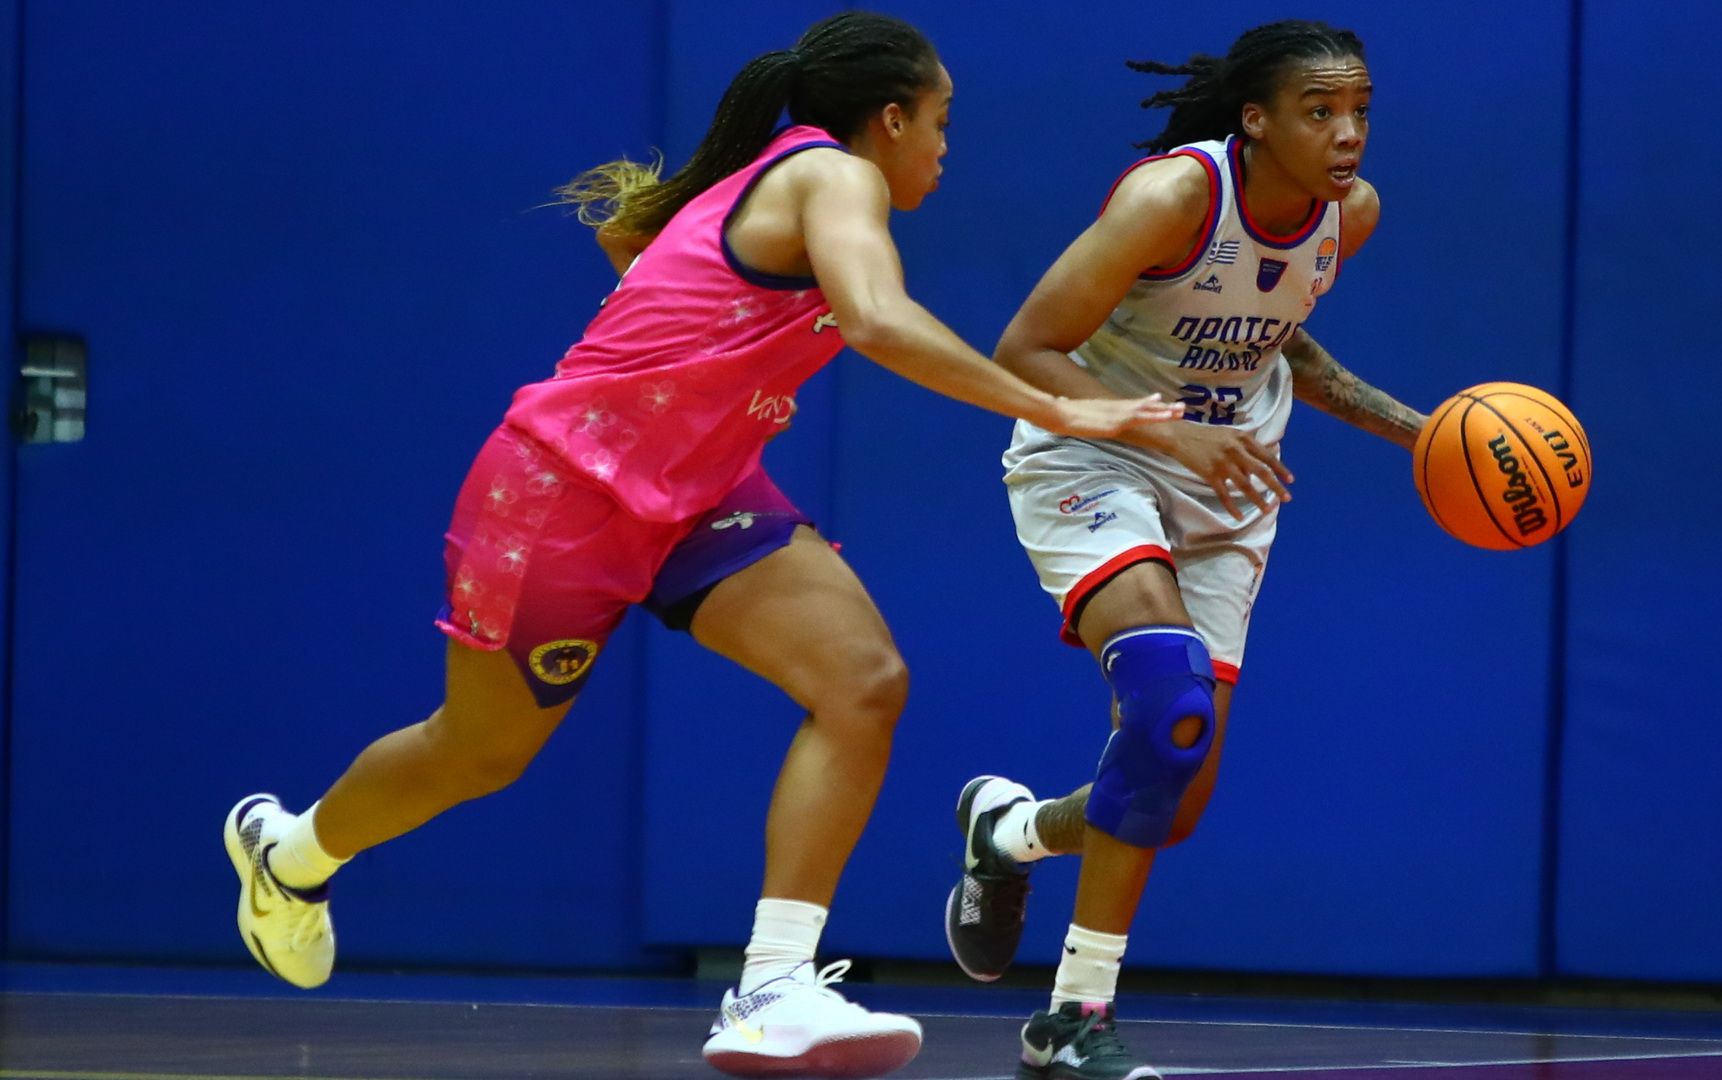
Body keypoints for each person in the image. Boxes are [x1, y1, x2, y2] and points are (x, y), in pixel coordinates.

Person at [220, 11, 1177, 1079]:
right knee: (478, 752)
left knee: (861, 683)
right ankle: (290, 853)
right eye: (942, 120)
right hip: (563, 492)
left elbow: (654, 261)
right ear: (891, 117)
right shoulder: (831, 174)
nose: (948, 147)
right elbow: (876, 319)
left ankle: (772, 984)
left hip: (701, 495)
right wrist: (1059, 408)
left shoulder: (772, 179)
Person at [940, 21, 1430, 1080]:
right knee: (1165, 696)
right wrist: (1167, 432)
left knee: (1175, 781)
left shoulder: (1351, 214)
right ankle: (1074, 1018)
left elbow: (1273, 332)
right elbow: (1025, 348)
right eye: (1320, 112)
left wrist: (1421, 432)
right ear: (1256, 121)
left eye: (1359, 111)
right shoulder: (1172, 198)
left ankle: (1011, 834)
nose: (1349, 134)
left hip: (1227, 487)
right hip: (1095, 455)